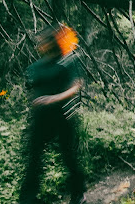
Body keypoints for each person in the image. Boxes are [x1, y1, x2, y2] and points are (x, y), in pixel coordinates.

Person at [19, 25, 86, 204]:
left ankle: (78, 194)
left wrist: (52, 98)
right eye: (39, 42)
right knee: (34, 157)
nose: (40, 45)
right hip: (41, 119)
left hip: (64, 117)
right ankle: (27, 199)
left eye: (44, 42)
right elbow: (31, 86)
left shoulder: (67, 61)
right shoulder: (36, 66)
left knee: (68, 155)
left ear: (52, 43)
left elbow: (76, 86)